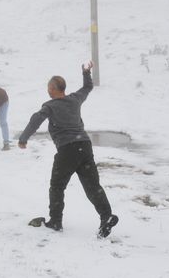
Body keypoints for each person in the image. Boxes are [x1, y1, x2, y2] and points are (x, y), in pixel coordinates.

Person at [18, 61, 118, 238]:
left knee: (57, 186)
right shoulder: (75, 98)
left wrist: (24, 138)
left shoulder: (50, 106)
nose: (48, 89)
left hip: (68, 149)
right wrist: (86, 72)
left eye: (49, 87)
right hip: (84, 146)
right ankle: (106, 216)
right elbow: (88, 86)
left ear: (54, 89)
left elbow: (36, 119)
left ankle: (55, 221)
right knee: (92, 186)